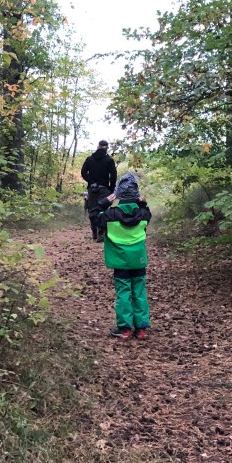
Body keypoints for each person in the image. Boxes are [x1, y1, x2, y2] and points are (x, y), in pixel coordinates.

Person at [97, 173, 151, 340]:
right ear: (137, 194)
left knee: (123, 293)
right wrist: (143, 203)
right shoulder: (143, 214)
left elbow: (94, 215)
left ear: (117, 194)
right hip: (138, 260)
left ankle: (125, 329)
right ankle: (141, 329)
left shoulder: (109, 215)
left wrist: (105, 202)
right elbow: (146, 213)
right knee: (139, 292)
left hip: (120, 261)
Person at [80, 141, 117, 242]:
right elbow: (113, 175)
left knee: (92, 209)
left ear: (98, 147)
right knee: (102, 210)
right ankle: (101, 232)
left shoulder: (89, 159)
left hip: (92, 189)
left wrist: (91, 181)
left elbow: (83, 172)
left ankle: (94, 232)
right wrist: (111, 188)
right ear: (107, 148)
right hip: (104, 188)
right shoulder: (109, 160)